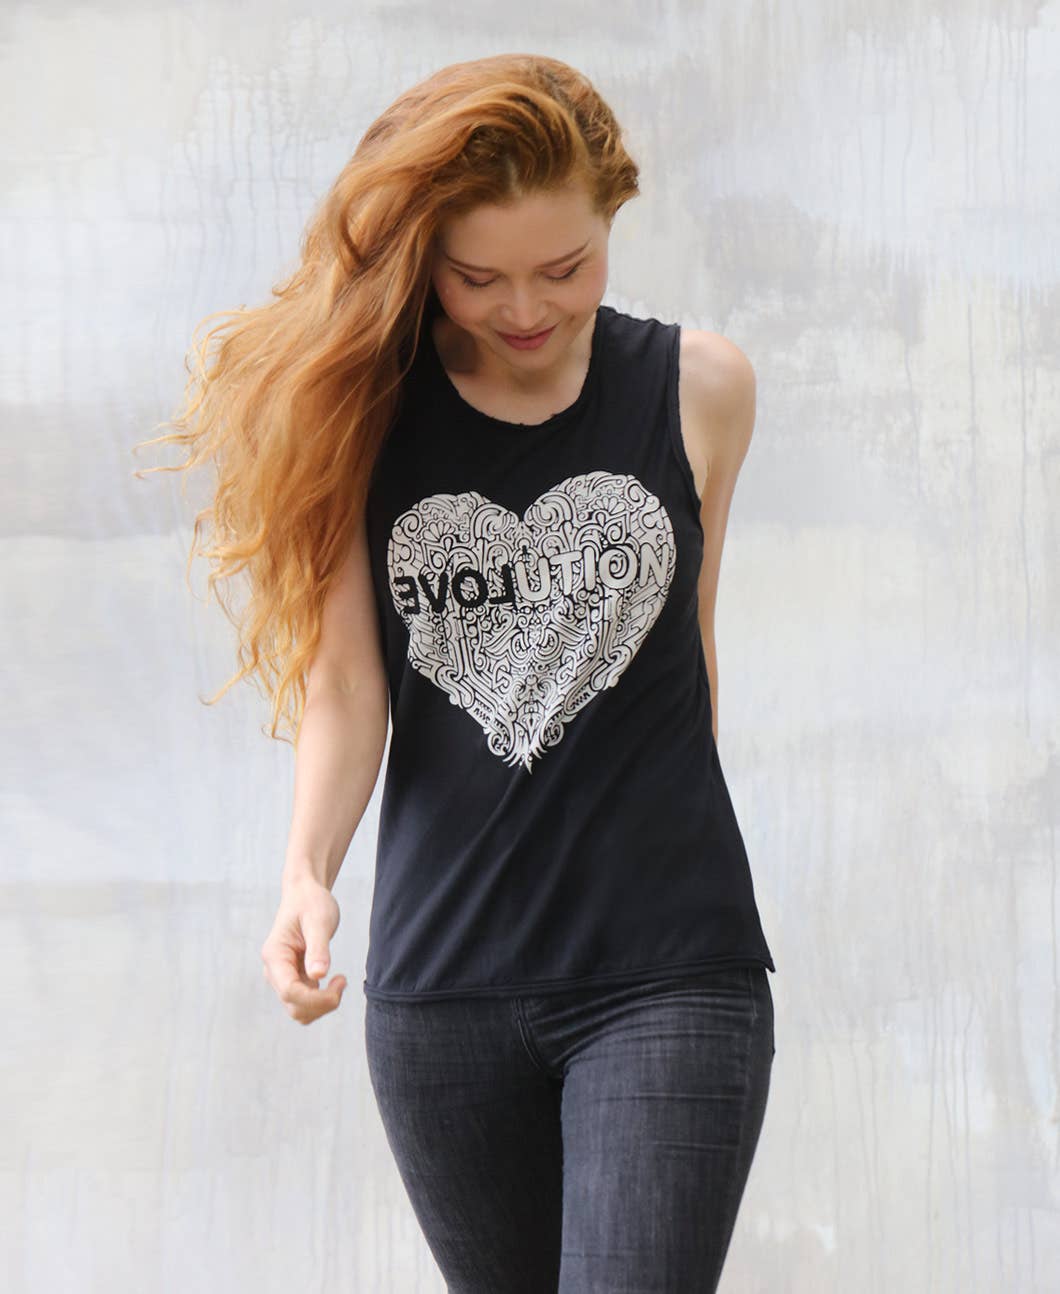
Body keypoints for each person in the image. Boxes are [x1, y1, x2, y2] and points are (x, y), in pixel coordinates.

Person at [139, 52, 776, 1294]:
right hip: (443, 992)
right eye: (478, 277)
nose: (524, 308)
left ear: (613, 219)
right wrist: (305, 875)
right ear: (423, 254)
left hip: (668, 972)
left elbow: (687, 663)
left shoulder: (701, 389)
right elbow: (346, 689)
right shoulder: (357, 418)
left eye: (565, 268)